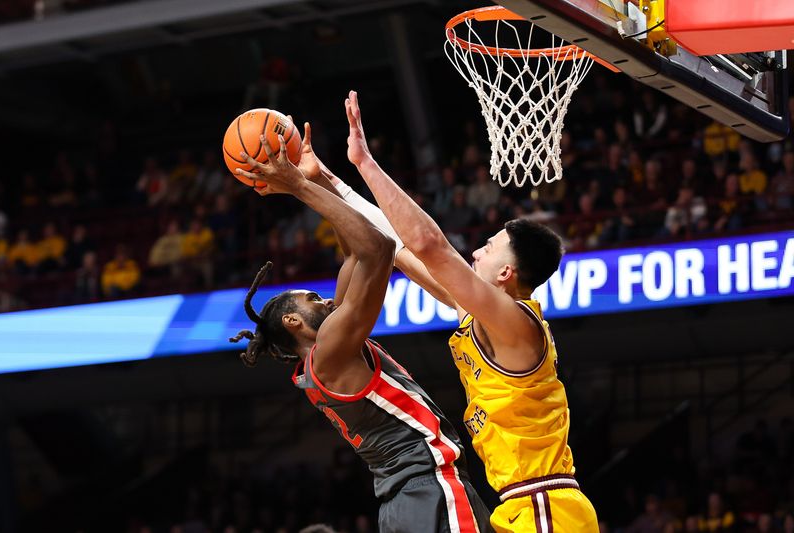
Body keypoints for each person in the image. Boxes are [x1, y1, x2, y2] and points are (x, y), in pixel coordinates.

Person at [338, 90, 598, 532]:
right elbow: (398, 247)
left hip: (546, 506)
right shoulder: (485, 319)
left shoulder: (517, 324)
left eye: (489, 247)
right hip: (518, 505)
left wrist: (365, 162)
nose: (476, 252)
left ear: (506, 274)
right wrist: (328, 181)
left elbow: (429, 244)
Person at [229, 131, 492, 533]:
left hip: (405, 500)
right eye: (312, 298)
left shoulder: (325, 355)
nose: (325, 300)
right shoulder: (330, 352)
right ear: (292, 321)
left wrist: (315, 180)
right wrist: (297, 187)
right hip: (427, 485)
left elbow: (354, 251)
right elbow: (378, 249)